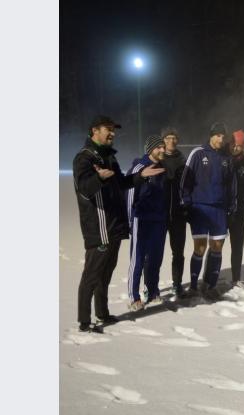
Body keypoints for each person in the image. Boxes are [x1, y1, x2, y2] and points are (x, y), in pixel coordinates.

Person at [73, 115, 164, 332]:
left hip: (114, 225)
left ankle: (102, 313)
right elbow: (84, 187)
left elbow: (122, 182)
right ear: (95, 130)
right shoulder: (84, 158)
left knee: (106, 272)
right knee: (92, 273)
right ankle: (84, 321)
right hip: (99, 226)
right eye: (108, 128)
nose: (112, 132)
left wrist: (141, 175)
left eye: (114, 129)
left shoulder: (109, 158)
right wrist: (99, 178)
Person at [179, 122, 236, 302]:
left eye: (223, 136)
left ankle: (210, 285)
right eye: (217, 135)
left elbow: (231, 185)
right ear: (211, 136)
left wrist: (231, 205)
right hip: (200, 208)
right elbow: (184, 181)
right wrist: (187, 204)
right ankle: (194, 286)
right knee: (200, 247)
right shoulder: (198, 153)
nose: (221, 139)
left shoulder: (227, 158)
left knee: (217, 247)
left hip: (219, 209)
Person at [125, 135, 168, 311]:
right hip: (141, 220)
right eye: (159, 147)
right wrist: (130, 221)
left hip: (159, 221)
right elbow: (129, 195)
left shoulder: (162, 168)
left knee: (155, 259)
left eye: (163, 147)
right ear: (150, 149)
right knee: (138, 260)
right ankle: (134, 296)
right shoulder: (139, 167)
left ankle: (152, 291)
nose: (163, 150)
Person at [159, 127, 187, 297]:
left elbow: (189, 185)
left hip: (178, 215)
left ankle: (177, 283)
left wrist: (186, 207)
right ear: (163, 140)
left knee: (178, 252)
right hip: (160, 215)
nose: (171, 140)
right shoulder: (158, 159)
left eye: (174, 137)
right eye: (168, 137)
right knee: (155, 253)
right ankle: (151, 287)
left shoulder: (183, 160)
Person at [227, 129, 244, 288]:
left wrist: (238, 199)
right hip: (223, 211)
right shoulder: (223, 158)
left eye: (239, 145)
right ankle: (210, 279)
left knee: (237, 246)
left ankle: (236, 278)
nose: (236, 148)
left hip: (240, 210)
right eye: (234, 144)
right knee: (216, 245)